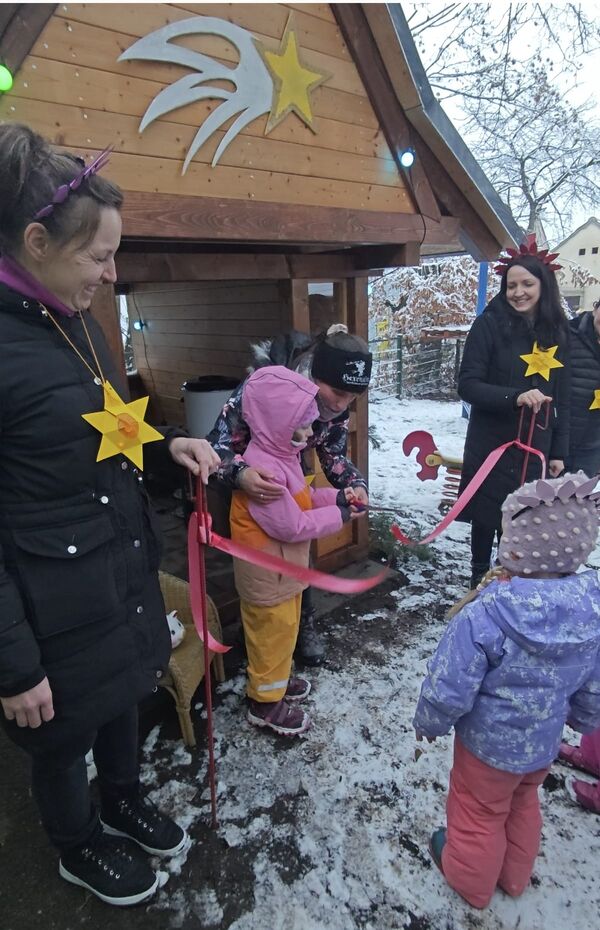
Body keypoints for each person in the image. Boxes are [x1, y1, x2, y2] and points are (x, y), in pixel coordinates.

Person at [0, 124, 220, 906]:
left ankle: (121, 796)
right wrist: (13, 663)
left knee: (125, 691)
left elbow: (104, 428)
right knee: (62, 737)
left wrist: (166, 451)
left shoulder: (72, 321)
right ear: (34, 241)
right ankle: (76, 841)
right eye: (98, 256)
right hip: (47, 606)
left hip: (114, 570)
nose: (111, 272)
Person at [413, 472, 600, 910]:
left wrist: (430, 722)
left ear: (514, 548)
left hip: (487, 749)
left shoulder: (487, 614)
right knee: (522, 804)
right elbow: (593, 681)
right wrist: (585, 719)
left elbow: (449, 683)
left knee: (479, 812)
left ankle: (471, 883)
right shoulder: (590, 612)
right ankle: (514, 877)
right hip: (543, 745)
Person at [207, 323, 372, 665]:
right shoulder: (264, 389)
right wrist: (242, 475)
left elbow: (334, 456)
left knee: (297, 548)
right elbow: (215, 447)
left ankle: (300, 620)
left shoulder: (337, 406)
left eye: (352, 399)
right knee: (257, 566)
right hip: (244, 480)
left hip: (293, 473)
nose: (342, 405)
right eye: (337, 394)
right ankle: (257, 633)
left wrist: (355, 485)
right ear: (314, 376)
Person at [229, 366, 362, 736]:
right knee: (270, 637)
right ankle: (265, 703)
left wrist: (337, 495)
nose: (308, 435)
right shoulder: (263, 470)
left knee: (284, 632)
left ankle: (275, 681)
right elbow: (292, 525)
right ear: (273, 423)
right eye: (300, 427)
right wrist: (340, 516)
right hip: (267, 577)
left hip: (283, 574)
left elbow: (301, 499)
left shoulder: (282, 454)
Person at [457, 239, 570, 589]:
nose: (518, 292)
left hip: (535, 445)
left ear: (543, 287)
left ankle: (509, 580)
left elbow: (560, 397)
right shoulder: (488, 326)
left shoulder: (557, 333)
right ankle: (477, 579)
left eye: (527, 284)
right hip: (492, 441)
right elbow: (468, 385)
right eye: (511, 285)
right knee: (487, 516)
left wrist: (558, 453)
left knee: (522, 518)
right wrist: (515, 396)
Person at [565, 299, 600, 476]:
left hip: (593, 448)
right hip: (559, 442)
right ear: (595, 309)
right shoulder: (566, 333)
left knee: (581, 502)